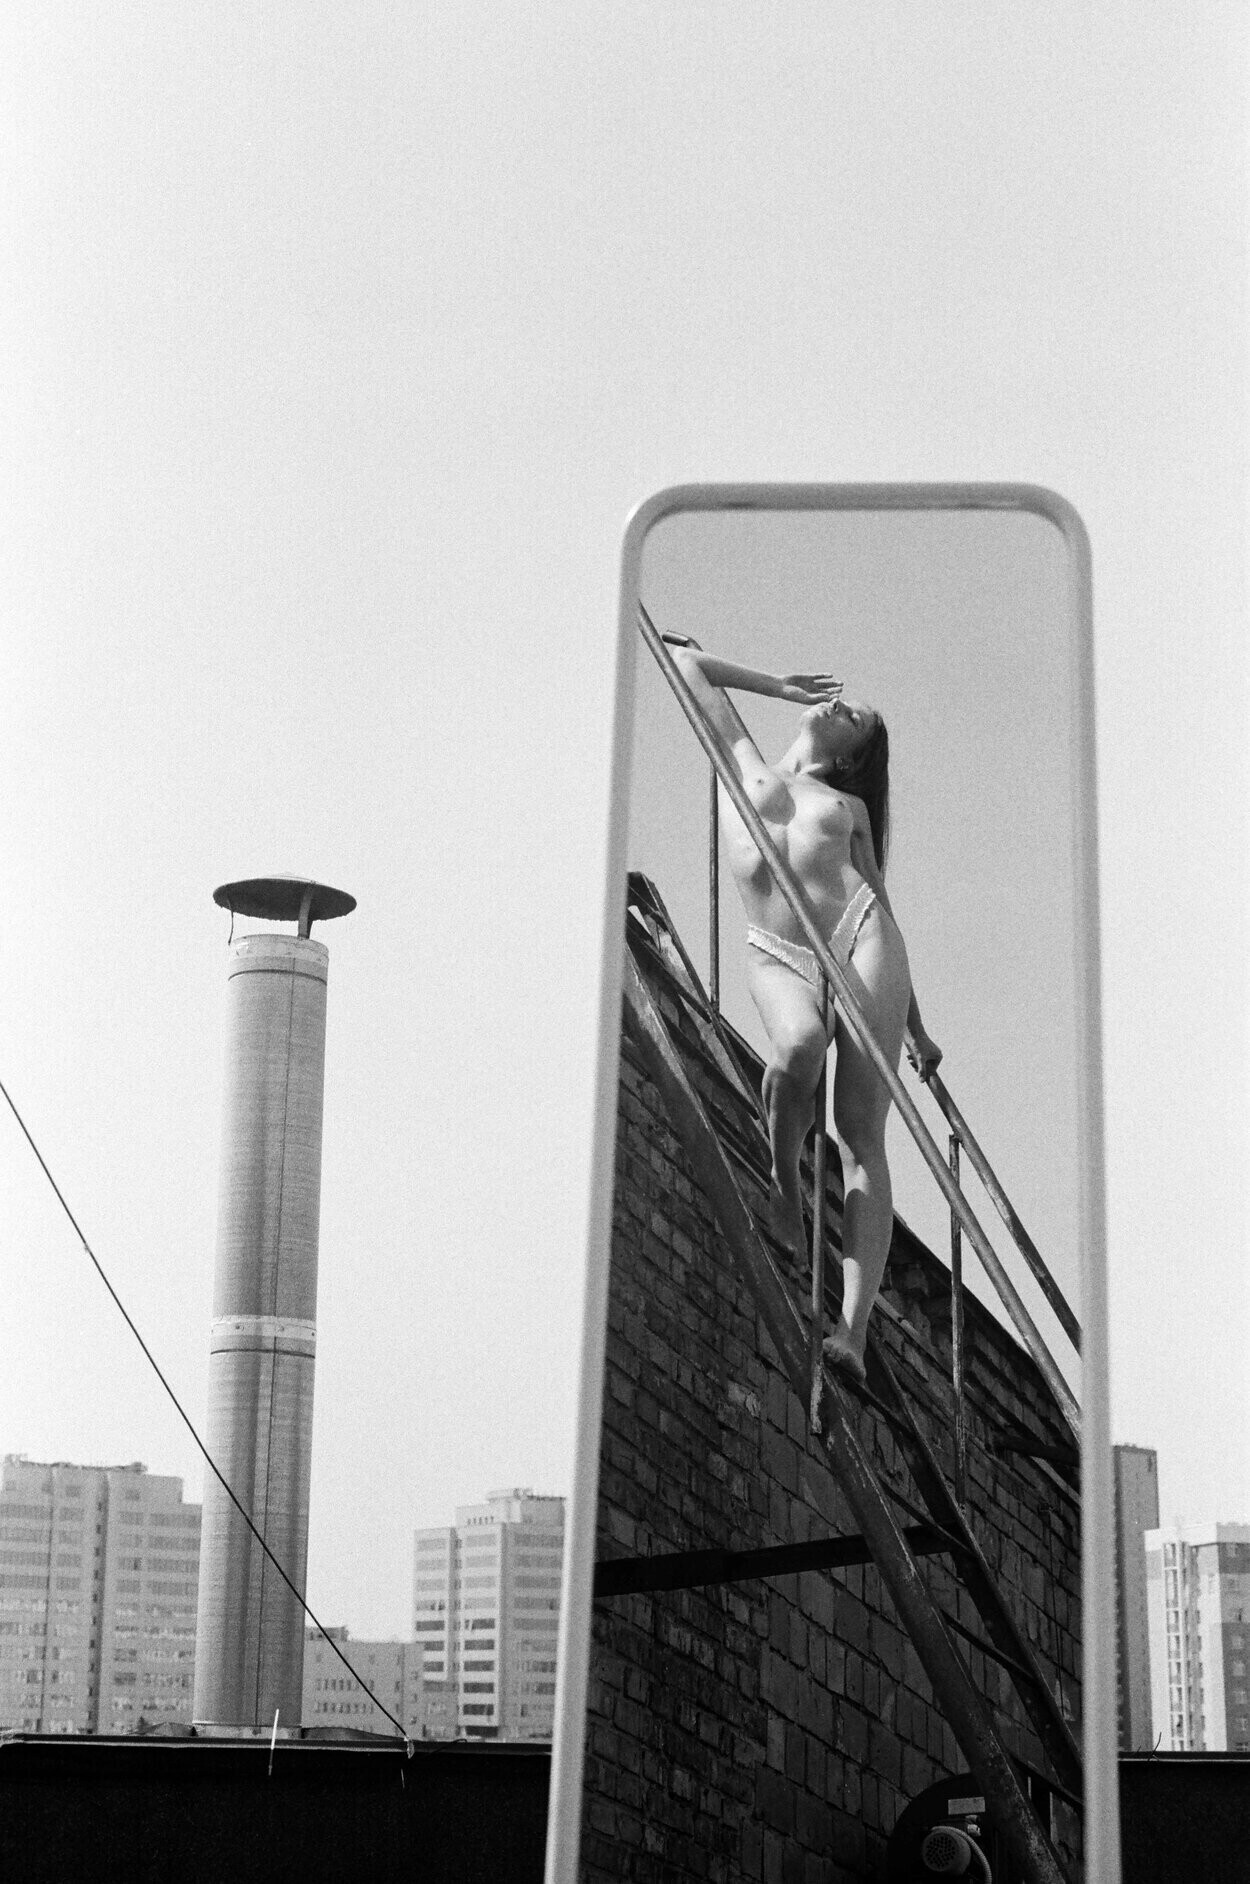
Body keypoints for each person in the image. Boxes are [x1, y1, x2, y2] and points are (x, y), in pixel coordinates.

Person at [670, 641, 941, 1384]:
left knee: (862, 1135)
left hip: (860, 937)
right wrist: (780, 687)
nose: (841, 704)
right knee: (798, 1048)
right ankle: (786, 1188)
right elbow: (688, 669)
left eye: (856, 717)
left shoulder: (851, 807)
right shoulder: (743, 762)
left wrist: (917, 1029)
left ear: (854, 756)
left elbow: (881, 901)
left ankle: (851, 1333)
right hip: (778, 952)